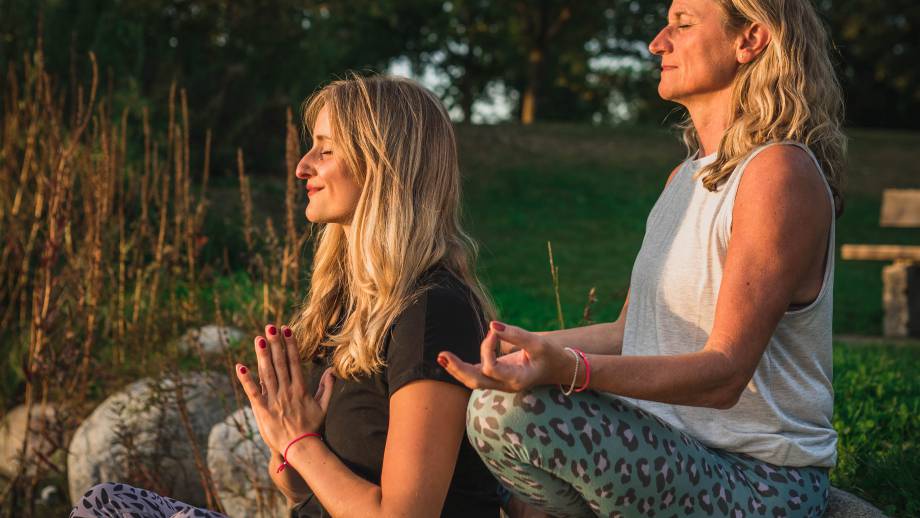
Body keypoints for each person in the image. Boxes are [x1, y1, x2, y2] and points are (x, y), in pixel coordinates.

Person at [438, 0, 845, 517]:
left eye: (682, 24)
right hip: (674, 452)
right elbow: (627, 332)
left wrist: (569, 370)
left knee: (508, 414)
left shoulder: (779, 173)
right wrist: (510, 352)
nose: (657, 42)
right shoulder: (685, 178)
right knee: (494, 403)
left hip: (761, 481)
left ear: (751, 41)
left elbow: (725, 374)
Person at [70, 75, 501, 518]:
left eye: (325, 148)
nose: (302, 166)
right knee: (107, 504)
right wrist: (293, 469)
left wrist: (300, 443)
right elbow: (316, 494)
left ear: (384, 163)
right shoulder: (345, 309)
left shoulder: (433, 311)